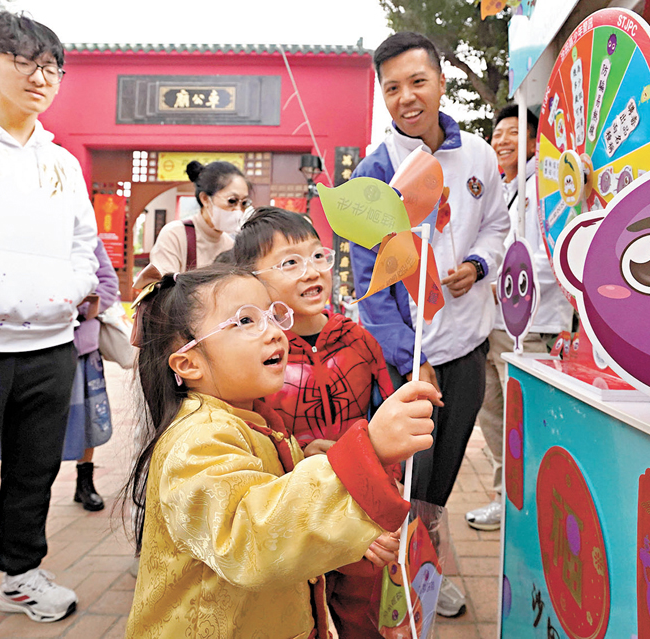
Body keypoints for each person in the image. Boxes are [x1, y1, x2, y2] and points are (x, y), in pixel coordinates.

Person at [122, 264, 440, 638]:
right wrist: (365, 451)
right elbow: (250, 537)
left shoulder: (250, 417)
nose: (273, 331)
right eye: (244, 320)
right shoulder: (196, 439)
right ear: (188, 363)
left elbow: (272, 502)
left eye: (273, 314)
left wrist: (307, 463)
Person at [350, 31, 510, 617]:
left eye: (417, 81)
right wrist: (406, 358)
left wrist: (477, 263)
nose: (406, 97)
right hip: (408, 360)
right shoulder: (377, 171)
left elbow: (497, 223)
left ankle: (426, 566)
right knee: (406, 478)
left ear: (441, 81)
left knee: (441, 477)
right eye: (391, 88)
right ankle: (400, 576)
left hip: (466, 346)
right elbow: (370, 281)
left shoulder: (480, 158)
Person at [0, 11, 98, 629]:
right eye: (26, 63)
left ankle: (20, 576)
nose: (42, 77)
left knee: (34, 469)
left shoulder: (62, 163)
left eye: (53, 68)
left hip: (49, 345)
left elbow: (83, 248)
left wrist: (63, 299)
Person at [234, 207, 399, 638]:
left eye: (317, 256)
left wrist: (384, 500)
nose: (311, 272)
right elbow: (252, 443)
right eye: (290, 262)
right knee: (300, 615)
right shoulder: (256, 353)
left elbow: (385, 423)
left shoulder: (360, 341)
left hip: (360, 508)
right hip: (296, 518)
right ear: (251, 281)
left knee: (362, 613)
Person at [465, 105, 573, 532]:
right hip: (492, 324)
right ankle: (504, 497)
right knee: (492, 414)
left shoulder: (547, 187)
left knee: (523, 420)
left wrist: (501, 281)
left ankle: (528, 507)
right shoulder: (506, 188)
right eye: (498, 133)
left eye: (513, 132)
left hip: (530, 324)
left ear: (534, 141)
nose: (502, 140)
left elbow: (550, 257)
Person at [63, 239, 119, 512]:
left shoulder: (87, 240)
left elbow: (108, 285)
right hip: (37, 346)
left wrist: (73, 307)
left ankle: (85, 480)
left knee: (89, 416)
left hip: (83, 348)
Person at [134, 160, 249, 285]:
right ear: (205, 199)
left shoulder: (231, 245)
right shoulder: (175, 235)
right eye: (232, 201)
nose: (239, 210)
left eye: (244, 203)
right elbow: (163, 293)